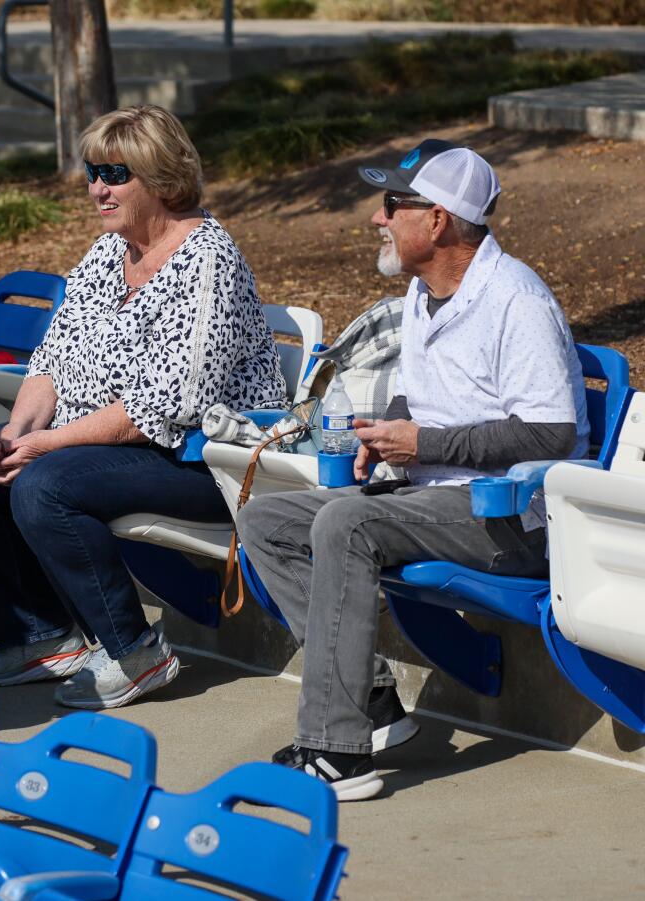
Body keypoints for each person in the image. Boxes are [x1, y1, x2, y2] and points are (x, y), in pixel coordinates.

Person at [240, 139, 588, 800]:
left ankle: (337, 753)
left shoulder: (515, 298)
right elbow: (420, 394)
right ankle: (370, 705)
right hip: (439, 496)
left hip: (511, 513)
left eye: (392, 204)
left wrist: (424, 442)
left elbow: (552, 429)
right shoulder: (423, 293)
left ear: (438, 221)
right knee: (266, 521)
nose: (377, 217)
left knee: (346, 522)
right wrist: (387, 432)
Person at [0, 105, 288, 709]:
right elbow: (51, 359)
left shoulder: (207, 258)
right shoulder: (109, 253)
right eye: (91, 172)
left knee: (45, 484)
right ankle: (40, 636)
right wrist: (18, 433)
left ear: (161, 177)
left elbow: (166, 404)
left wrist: (46, 444)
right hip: (116, 448)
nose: (98, 188)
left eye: (115, 173)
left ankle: (135, 654)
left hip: (208, 461)